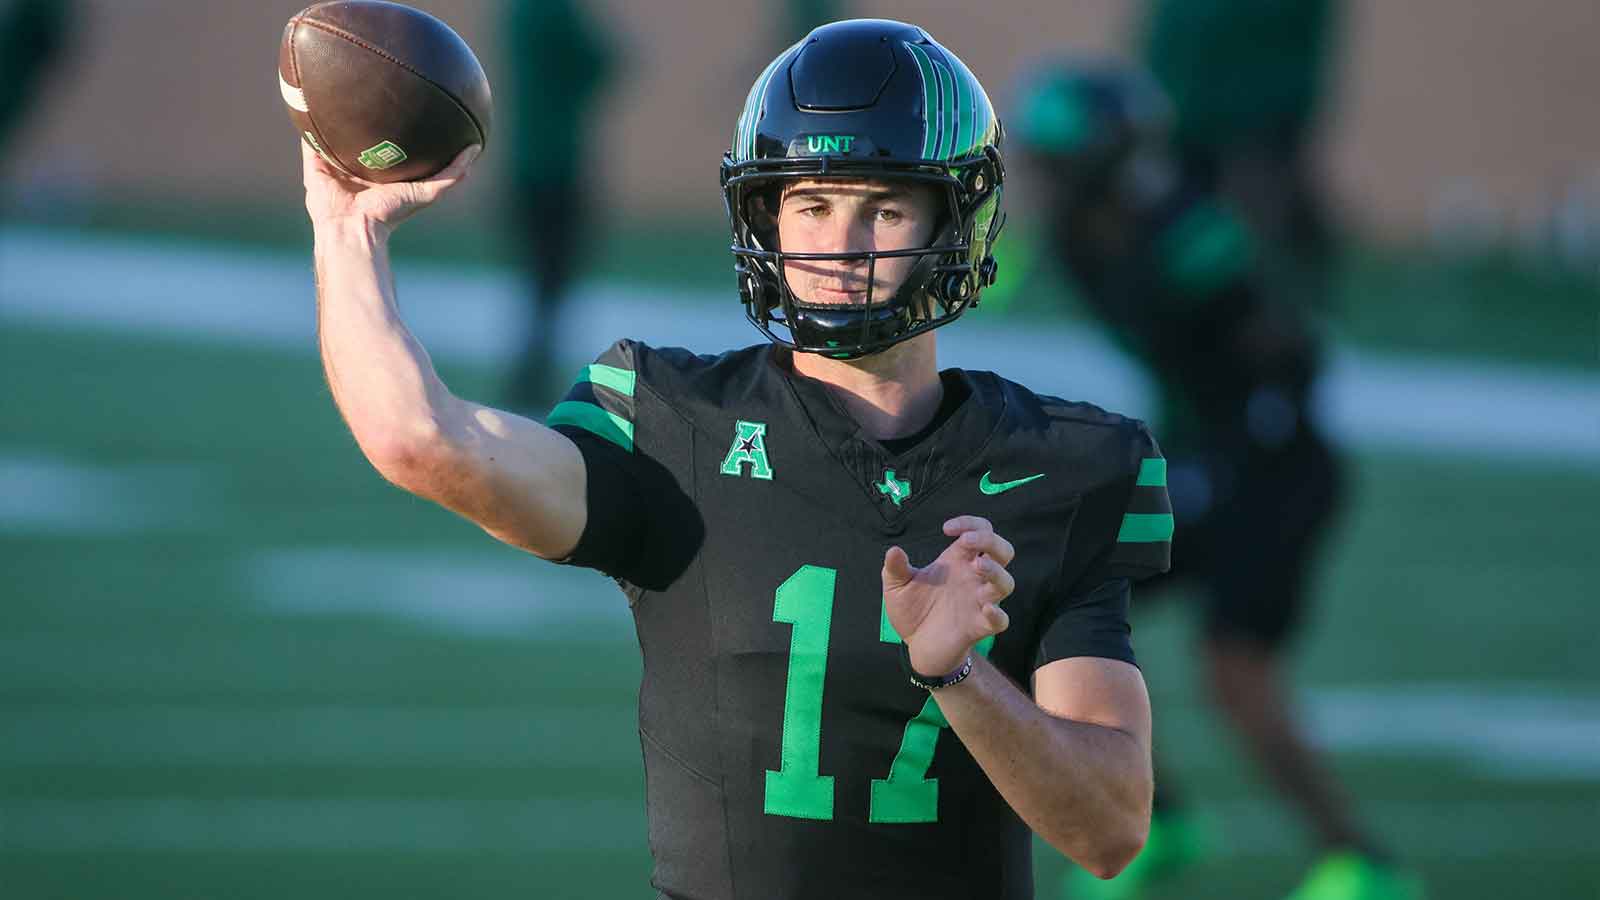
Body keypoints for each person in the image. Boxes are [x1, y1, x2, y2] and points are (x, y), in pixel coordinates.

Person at [302, 19, 1171, 899]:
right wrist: (346, 231)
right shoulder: (671, 424)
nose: (842, 248)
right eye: (811, 205)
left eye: (886, 207)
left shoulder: (1062, 463)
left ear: (957, 221)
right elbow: (421, 439)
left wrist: (959, 674)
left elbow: (1108, 831)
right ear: (765, 215)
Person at [1010, 59, 1422, 900]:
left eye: (1055, 166)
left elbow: (1283, 345)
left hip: (1272, 467)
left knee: (1235, 672)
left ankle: (1364, 862)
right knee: (1046, 602)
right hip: (1210, 457)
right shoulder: (1090, 236)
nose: (1043, 184)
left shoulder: (1180, 229)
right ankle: (1158, 821)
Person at [500, 0, 617, 413]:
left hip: (524, 164)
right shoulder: (554, 11)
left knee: (538, 281)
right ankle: (531, 378)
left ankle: (529, 376)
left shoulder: (520, 11)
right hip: (558, 166)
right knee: (552, 281)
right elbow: (600, 64)